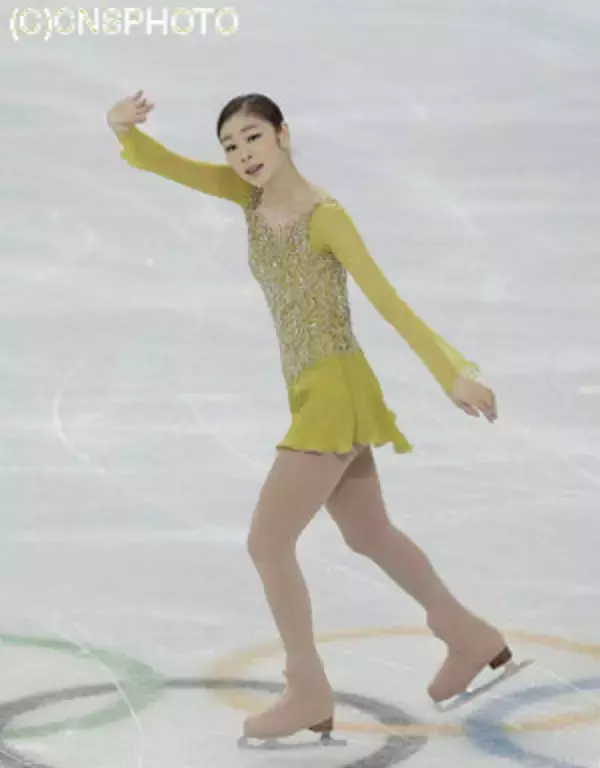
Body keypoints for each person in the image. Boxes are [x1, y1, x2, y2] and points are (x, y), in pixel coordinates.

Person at [106, 90, 512, 742]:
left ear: (283, 134)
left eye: (253, 137)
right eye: (231, 146)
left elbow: (390, 303)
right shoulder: (247, 198)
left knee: (267, 542)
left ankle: (307, 688)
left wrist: (451, 372)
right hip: (311, 389)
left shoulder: (327, 217)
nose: (243, 155)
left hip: (334, 394)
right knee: (369, 533)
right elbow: (167, 165)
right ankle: (467, 632)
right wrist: (121, 129)